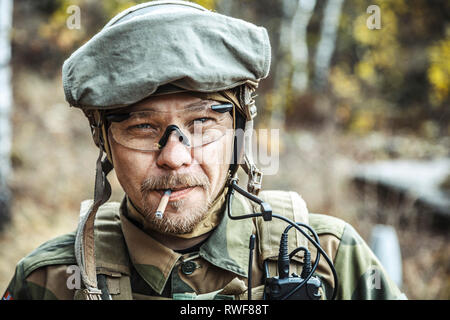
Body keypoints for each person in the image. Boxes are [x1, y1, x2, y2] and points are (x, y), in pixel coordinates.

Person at [3, 0, 405, 300]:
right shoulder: (51, 281)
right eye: (142, 127)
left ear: (239, 130)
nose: (174, 157)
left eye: (201, 123)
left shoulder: (330, 260)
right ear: (104, 140)